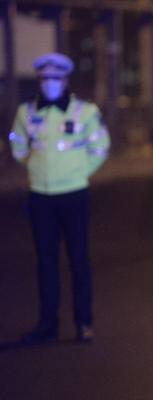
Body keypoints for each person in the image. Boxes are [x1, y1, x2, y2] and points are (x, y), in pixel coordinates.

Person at [8, 53, 110, 344]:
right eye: (45, 78)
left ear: (65, 80)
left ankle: (84, 323)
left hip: (75, 194)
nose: (50, 83)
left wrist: (78, 173)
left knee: (79, 259)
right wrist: (35, 167)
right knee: (45, 262)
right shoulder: (26, 112)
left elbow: (100, 147)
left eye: (56, 78)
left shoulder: (84, 111)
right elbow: (17, 145)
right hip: (40, 196)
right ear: (39, 81)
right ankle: (47, 324)